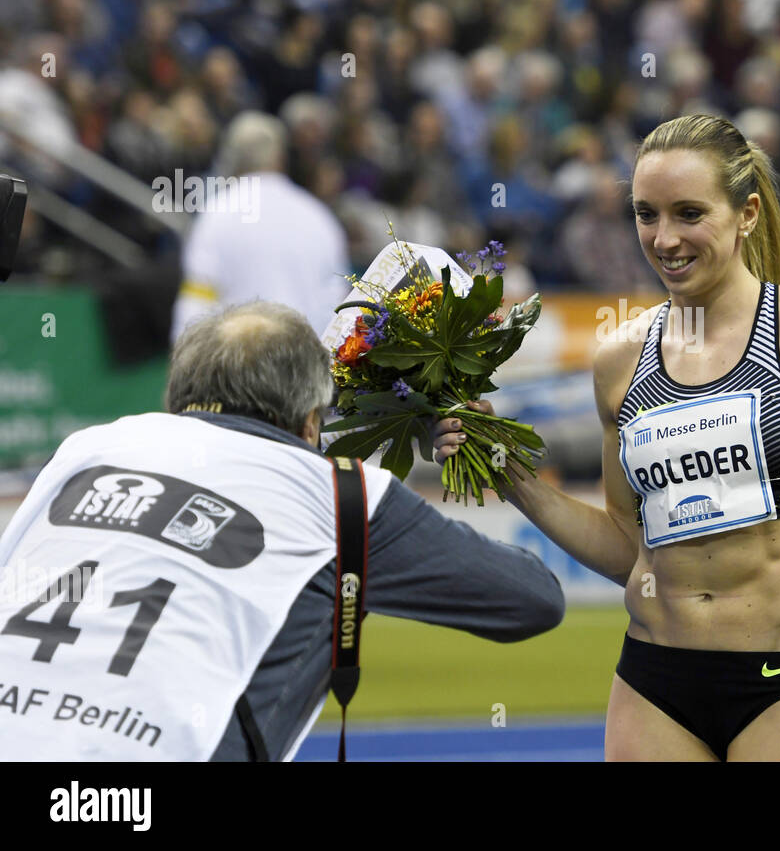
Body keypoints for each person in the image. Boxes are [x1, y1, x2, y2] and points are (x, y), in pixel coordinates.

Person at [436, 114, 780, 761]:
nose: (664, 238)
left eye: (688, 213)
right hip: (654, 684)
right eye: (647, 214)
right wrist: (511, 477)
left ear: (747, 213)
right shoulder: (620, 360)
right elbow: (627, 550)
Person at [0, 302, 564, 761]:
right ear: (311, 421)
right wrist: (490, 452)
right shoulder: (342, 492)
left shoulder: (89, 447)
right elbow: (534, 598)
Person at [170, 111, 352, 341]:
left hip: (243, 368)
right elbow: (338, 302)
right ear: (280, 158)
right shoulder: (318, 217)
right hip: (311, 363)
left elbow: (195, 306)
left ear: (231, 157)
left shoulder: (217, 215)